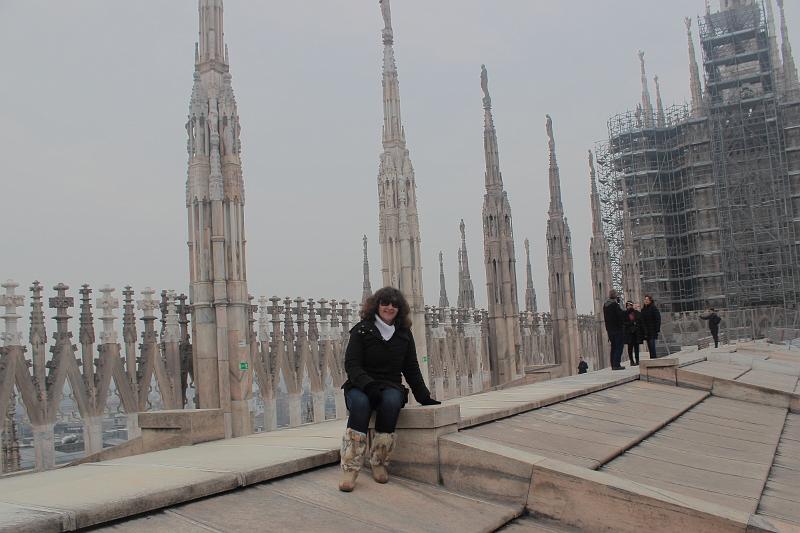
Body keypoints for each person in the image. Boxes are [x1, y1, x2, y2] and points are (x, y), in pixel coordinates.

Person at [338, 286, 441, 492]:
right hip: (360, 385)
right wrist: (368, 385)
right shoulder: (362, 330)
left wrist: (423, 396)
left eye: (394, 304)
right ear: (377, 305)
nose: (389, 307)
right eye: (385, 302)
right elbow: (352, 364)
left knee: (392, 401)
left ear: (399, 308)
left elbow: (411, 367)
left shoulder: (403, 334)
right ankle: (350, 468)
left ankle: (379, 461)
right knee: (360, 403)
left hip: (390, 385)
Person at [603, 289, 626, 370]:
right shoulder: (615, 305)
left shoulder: (605, 305)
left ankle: (613, 364)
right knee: (619, 347)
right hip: (617, 329)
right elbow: (620, 315)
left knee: (613, 347)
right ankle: (616, 364)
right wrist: (619, 304)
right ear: (615, 296)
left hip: (610, 330)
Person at [640, 294, 661, 358]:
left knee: (652, 344)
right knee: (649, 345)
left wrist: (657, 329)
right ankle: (652, 358)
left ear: (650, 301)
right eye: (645, 299)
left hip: (652, 329)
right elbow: (642, 320)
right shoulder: (643, 310)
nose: (646, 301)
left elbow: (658, 318)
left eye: (647, 299)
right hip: (646, 330)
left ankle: (654, 358)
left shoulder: (653, 308)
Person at [623, 301, 643, 366]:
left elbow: (639, 322)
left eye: (630, 305)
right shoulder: (624, 314)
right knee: (630, 347)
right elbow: (624, 323)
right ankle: (631, 361)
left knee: (636, 347)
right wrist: (632, 323)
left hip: (636, 332)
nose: (629, 306)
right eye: (627, 305)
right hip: (629, 333)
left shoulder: (637, 313)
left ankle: (637, 360)